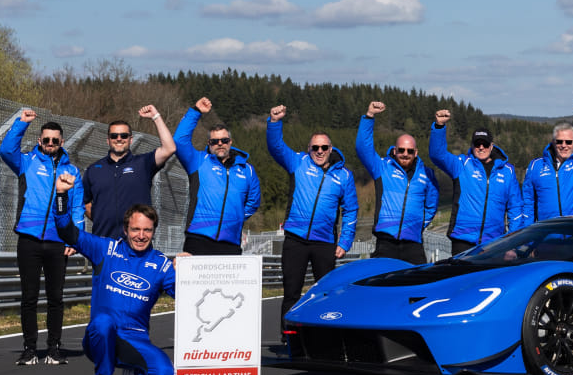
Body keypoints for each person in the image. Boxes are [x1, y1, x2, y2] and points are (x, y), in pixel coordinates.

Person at [52, 173, 176, 375]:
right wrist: (61, 194)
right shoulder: (105, 249)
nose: (141, 236)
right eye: (136, 229)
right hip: (100, 336)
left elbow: (185, 294)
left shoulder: (162, 265)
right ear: (125, 229)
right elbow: (65, 230)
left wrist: (188, 270)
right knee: (102, 321)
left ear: (154, 231)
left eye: (147, 230)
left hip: (135, 338)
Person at [0, 109, 84, 366]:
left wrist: (74, 240)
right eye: (45, 140)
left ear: (62, 142)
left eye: (54, 141)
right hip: (29, 239)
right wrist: (20, 124)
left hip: (58, 241)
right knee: (29, 296)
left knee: (56, 297)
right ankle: (29, 349)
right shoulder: (26, 162)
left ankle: (54, 348)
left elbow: (78, 207)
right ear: (39, 141)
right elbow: (5, 150)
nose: (50, 144)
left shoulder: (72, 171)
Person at [267, 105, 359, 329]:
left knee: (326, 295)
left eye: (324, 147)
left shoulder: (344, 176)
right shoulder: (298, 162)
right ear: (308, 148)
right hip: (295, 240)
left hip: (325, 243)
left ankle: (324, 337)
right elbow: (276, 147)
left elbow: (351, 210)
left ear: (331, 149)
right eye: (315, 147)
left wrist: (345, 241)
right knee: (291, 292)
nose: (319, 151)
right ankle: (288, 337)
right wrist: (274, 122)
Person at [173, 97, 261, 255]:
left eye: (224, 140)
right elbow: (179, 141)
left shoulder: (247, 170)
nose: (220, 143)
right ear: (209, 144)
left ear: (230, 142)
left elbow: (253, 202)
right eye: (214, 141)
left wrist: (236, 218)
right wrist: (196, 111)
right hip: (198, 237)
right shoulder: (198, 161)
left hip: (231, 241)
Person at [429, 110, 523, 255]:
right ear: (472, 145)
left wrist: (512, 243)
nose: (481, 147)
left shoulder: (507, 172)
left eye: (485, 144)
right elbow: (437, 155)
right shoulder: (462, 164)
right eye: (477, 144)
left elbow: (515, 208)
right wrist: (440, 126)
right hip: (463, 240)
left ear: (491, 146)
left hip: (494, 242)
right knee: (463, 278)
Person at [355, 101, 439, 264]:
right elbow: (362, 148)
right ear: (394, 151)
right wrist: (369, 116)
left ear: (416, 153)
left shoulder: (427, 174)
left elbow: (431, 205)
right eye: (401, 150)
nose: (405, 154)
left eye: (409, 151)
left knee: (417, 287)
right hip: (386, 242)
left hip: (414, 244)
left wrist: (417, 224)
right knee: (383, 287)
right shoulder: (382, 167)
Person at [83, 105, 177, 239]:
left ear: (131, 139)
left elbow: (169, 148)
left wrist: (156, 117)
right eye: (114, 135)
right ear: (108, 140)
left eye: (124, 135)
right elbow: (84, 202)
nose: (119, 138)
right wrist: (100, 218)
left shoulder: (143, 163)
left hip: (137, 242)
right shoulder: (93, 169)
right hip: (103, 242)